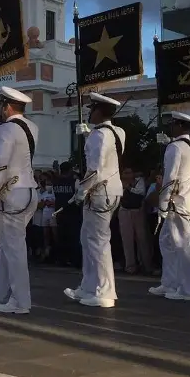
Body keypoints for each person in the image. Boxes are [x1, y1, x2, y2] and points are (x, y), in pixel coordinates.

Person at [0, 87, 39, 314]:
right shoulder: (32, 127)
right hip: (30, 190)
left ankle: (21, 302)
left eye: (3, 106)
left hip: (12, 193)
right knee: (8, 245)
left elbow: (1, 166)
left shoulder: (6, 129)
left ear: (8, 107)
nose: (1, 111)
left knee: (14, 249)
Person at [64, 93, 124, 308]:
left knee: (97, 242)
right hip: (112, 190)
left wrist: (81, 190)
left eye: (92, 109)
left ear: (99, 111)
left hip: (99, 191)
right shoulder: (118, 132)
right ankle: (89, 285)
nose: (89, 113)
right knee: (88, 239)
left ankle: (104, 292)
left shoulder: (99, 135)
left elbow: (95, 170)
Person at [151, 112, 190, 301]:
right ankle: (169, 282)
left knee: (181, 244)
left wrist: (162, 204)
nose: (170, 127)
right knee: (167, 241)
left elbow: (170, 178)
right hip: (187, 197)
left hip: (176, 200)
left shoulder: (174, 147)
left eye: (172, 124)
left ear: (180, 126)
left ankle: (187, 290)